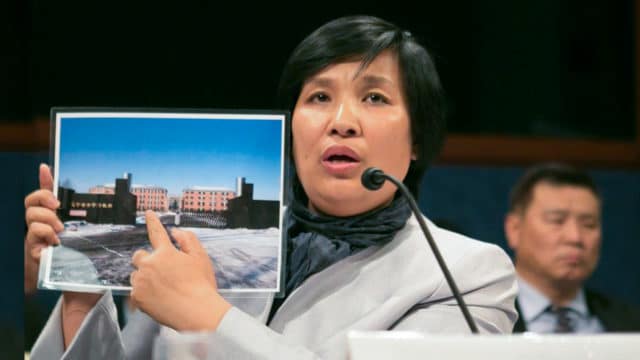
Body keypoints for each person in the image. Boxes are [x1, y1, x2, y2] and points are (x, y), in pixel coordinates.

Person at [25, 15, 517, 359]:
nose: (342, 122)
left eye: (374, 97)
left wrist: (208, 316)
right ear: (290, 129)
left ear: (417, 139)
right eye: (320, 96)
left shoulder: (467, 274)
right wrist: (81, 294)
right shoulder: (198, 249)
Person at [504, 162, 640, 333]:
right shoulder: (481, 320)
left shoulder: (631, 324)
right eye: (557, 221)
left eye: (589, 224)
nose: (575, 237)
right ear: (514, 229)